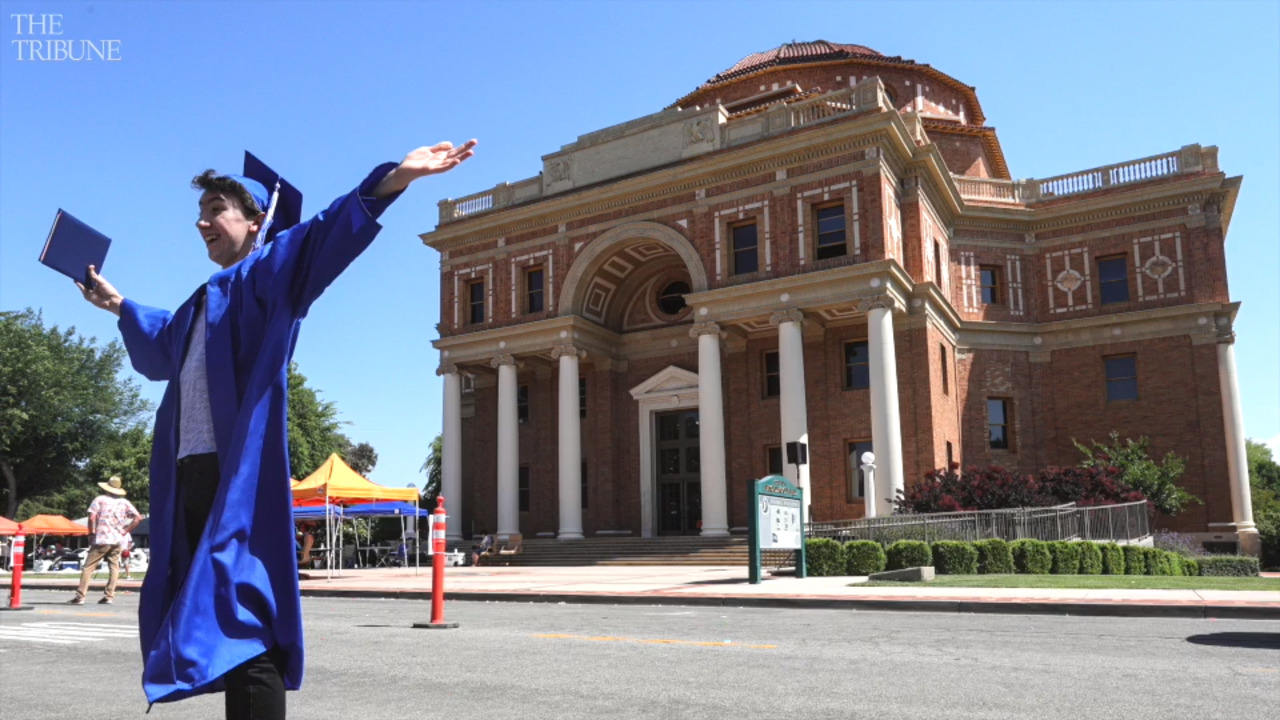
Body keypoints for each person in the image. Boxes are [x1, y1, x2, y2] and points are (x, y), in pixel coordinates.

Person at [76, 140, 476, 718]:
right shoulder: (200, 302)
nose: (203, 221)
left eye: (217, 208)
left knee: (247, 619)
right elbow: (160, 349)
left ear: (256, 221)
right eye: (202, 211)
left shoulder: (271, 272)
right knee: (212, 612)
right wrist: (116, 303)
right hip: (185, 478)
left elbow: (321, 236)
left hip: (235, 479)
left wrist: (391, 182)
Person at [68, 475, 142, 605]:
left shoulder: (100, 499)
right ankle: (109, 595)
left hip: (102, 538)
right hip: (117, 539)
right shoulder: (124, 502)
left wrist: (91, 533)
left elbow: (92, 517)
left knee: (88, 567)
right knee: (114, 567)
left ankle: (80, 596)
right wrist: (125, 531)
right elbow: (138, 518)